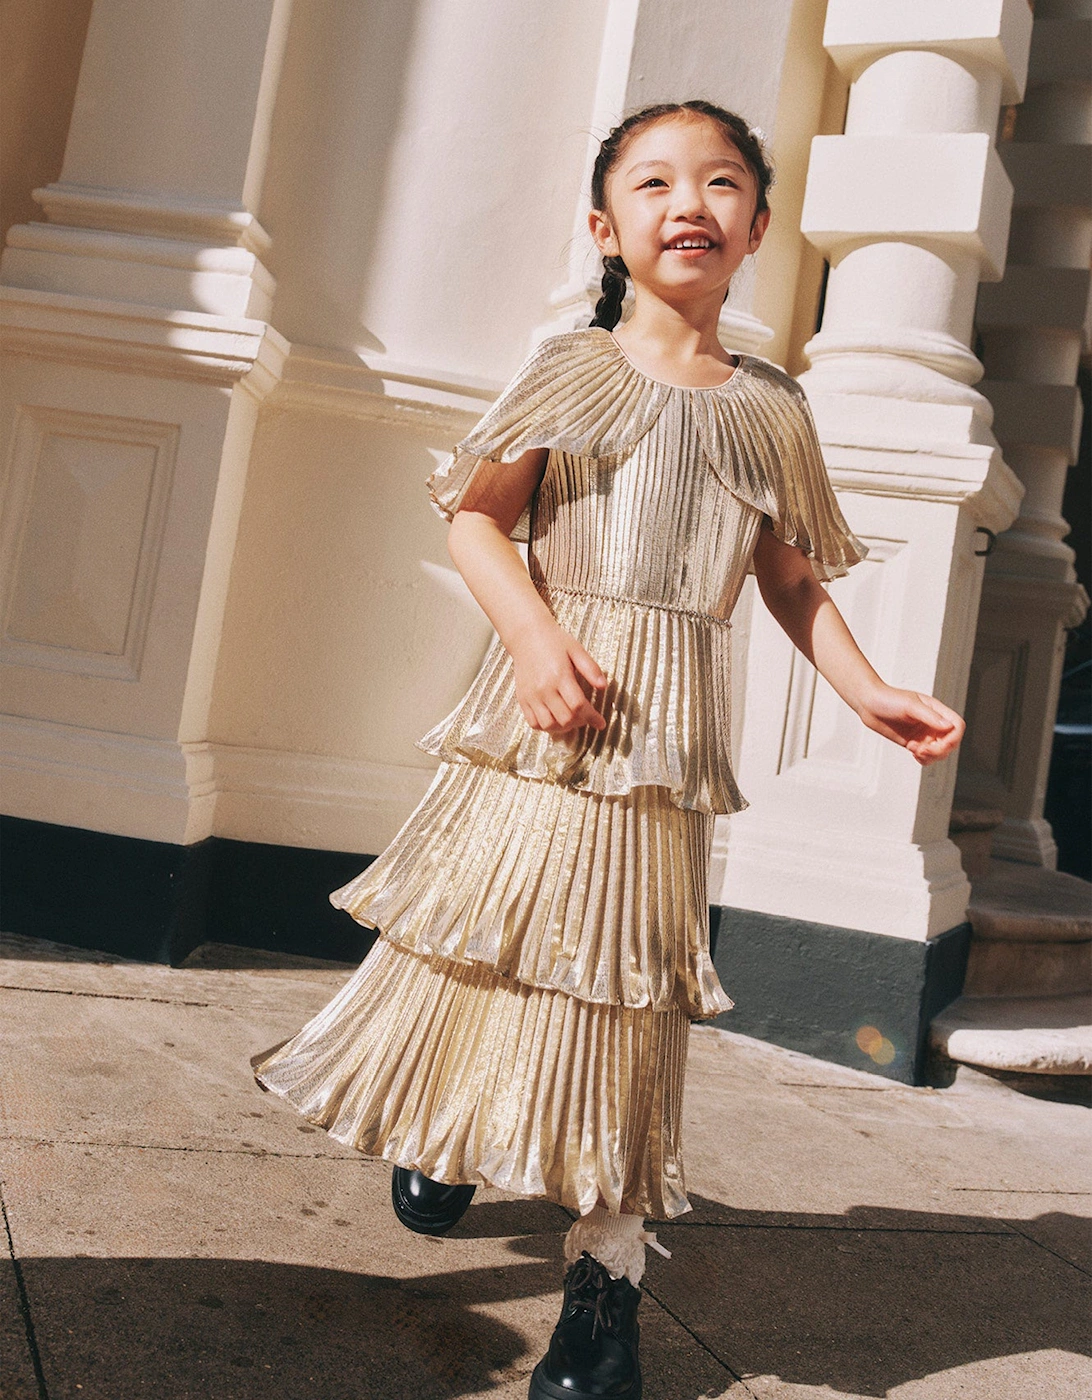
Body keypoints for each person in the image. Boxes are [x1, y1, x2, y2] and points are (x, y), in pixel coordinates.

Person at [251, 99, 965, 1399]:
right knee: (493, 935)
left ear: (758, 226)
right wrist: (534, 638)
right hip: (541, 714)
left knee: (630, 993)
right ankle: (450, 1122)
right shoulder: (568, 368)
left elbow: (790, 580)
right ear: (604, 227)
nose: (690, 202)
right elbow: (478, 518)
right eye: (655, 183)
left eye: (722, 182)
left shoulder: (773, 409)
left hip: (665, 740)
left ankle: (605, 1277)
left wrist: (868, 691)